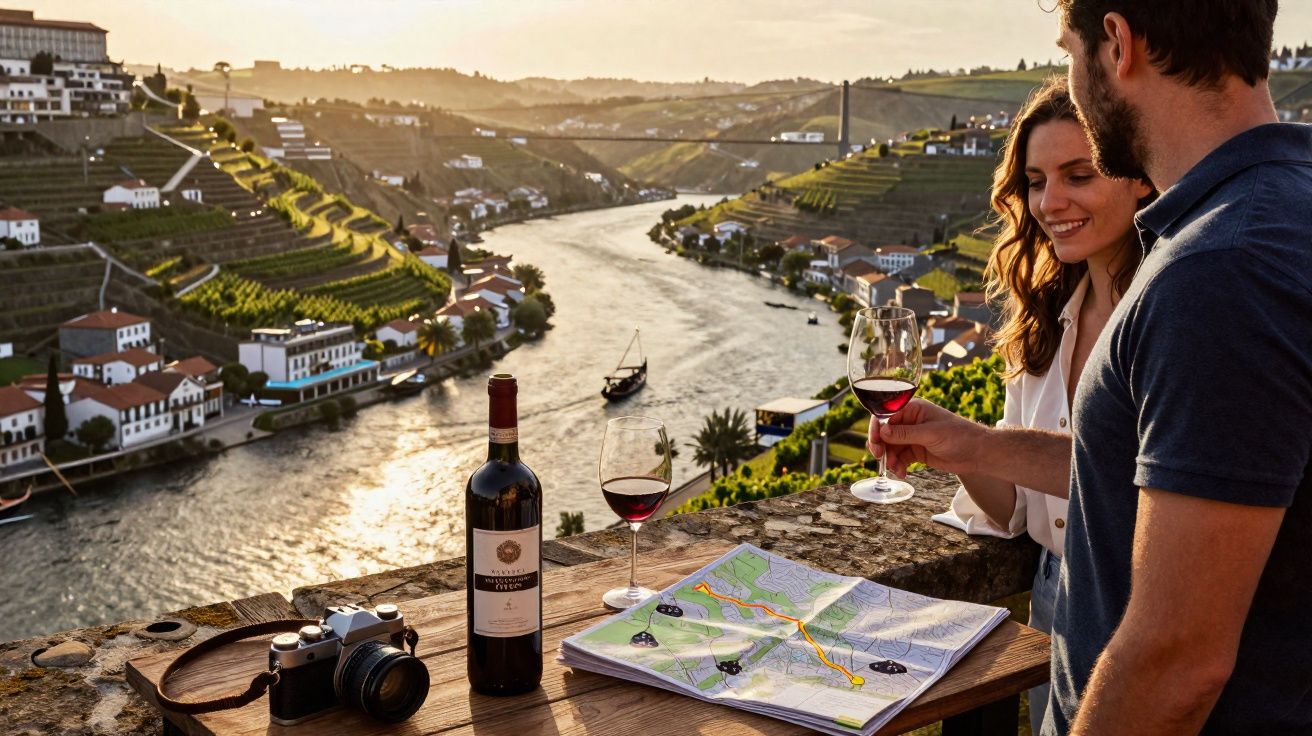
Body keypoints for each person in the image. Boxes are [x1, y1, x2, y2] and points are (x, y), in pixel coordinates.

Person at [870, 2, 1312, 733]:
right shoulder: (1276, 213)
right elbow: (1151, 473)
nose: (1072, 81)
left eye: (1069, 55)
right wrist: (974, 445)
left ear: (1117, 43)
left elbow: (1177, 660)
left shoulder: (1220, 270)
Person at [940, 75, 1151, 735]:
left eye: (1078, 175)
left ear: (1139, 177)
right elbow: (1014, 509)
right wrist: (952, 448)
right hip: (1054, 597)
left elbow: (1140, 483)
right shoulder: (1043, 324)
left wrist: (979, 445)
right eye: (1035, 181)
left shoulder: (1168, 318)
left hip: (1142, 602)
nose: (1050, 202)